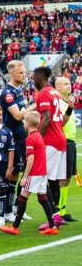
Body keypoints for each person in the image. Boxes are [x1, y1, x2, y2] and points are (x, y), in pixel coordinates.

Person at [0, 112, 59, 235]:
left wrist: (25, 177)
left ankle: (15, 227)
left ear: (28, 123)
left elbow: (31, 158)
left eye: (24, 121)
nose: (23, 124)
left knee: (23, 197)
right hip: (42, 172)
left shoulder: (30, 138)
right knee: (43, 198)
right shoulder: (39, 136)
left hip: (35, 173)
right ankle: (52, 226)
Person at [33, 66, 68, 229]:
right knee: (53, 181)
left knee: (41, 179)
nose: (32, 80)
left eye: (34, 77)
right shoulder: (54, 92)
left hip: (50, 141)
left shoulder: (43, 94)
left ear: (40, 78)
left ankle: (54, 217)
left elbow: (46, 119)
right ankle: (57, 216)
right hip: (60, 138)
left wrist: (37, 140)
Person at [0, 60, 32, 222]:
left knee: (21, 173)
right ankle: (6, 211)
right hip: (11, 140)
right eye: (21, 73)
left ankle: (17, 207)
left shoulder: (19, 90)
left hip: (22, 138)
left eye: (24, 72)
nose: (24, 75)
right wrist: (35, 106)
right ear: (12, 74)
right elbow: (18, 115)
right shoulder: (8, 93)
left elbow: (23, 117)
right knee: (11, 174)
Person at [55, 76, 78, 222]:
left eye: (69, 83)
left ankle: (62, 212)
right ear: (57, 87)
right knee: (61, 179)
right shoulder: (57, 103)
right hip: (62, 143)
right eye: (65, 84)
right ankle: (55, 212)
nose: (69, 86)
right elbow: (59, 124)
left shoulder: (68, 102)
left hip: (71, 143)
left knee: (68, 179)